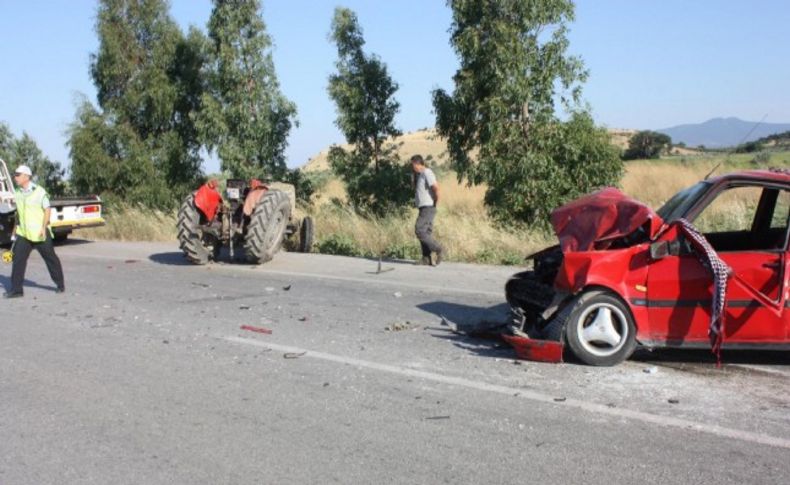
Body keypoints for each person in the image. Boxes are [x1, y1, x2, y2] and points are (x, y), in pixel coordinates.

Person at [3, 165, 65, 298]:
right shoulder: (18, 193)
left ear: (26, 176)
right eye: (15, 175)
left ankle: (60, 284)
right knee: (18, 259)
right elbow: (19, 214)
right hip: (24, 233)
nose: (15, 177)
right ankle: (16, 290)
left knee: (50, 259)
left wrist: (44, 227)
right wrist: (15, 231)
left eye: (18, 175)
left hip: (39, 232)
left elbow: (47, 209)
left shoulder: (39, 191)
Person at [410, 154, 443, 266]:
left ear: (418, 164)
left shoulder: (427, 172)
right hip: (424, 207)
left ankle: (439, 249)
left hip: (428, 207)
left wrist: (435, 203)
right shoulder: (420, 175)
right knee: (425, 232)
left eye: (413, 165)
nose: (412, 167)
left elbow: (436, 188)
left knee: (419, 230)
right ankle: (426, 258)